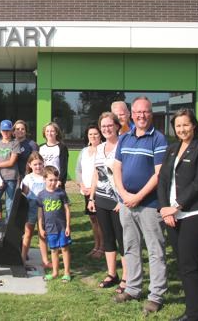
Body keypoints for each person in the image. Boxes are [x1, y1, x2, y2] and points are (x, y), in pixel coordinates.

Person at [157, 109, 198, 321]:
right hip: (172, 216)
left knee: (189, 266)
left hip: (197, 212)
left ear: (194, 126)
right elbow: (162, 180)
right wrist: (164, 209)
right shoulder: (172, 149)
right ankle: (194, 312)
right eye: (178, 125)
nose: (181, 129)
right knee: (184, 265)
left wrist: (177, 206)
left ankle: (195, 316)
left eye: (185, 125)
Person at [113, 96, 168, 315]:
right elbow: (116, 169)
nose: (141, 116)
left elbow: (159, 174)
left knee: (155, 250)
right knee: (130, 247)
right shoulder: (124, 138)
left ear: (150, 114)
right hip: (127, 203)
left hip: (149, 204)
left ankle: (156, 295)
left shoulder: (159, 139)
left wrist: (139, 196)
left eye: (145, 112)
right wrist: (125, 194)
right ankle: (133, 288)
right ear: (132, 115)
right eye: (137, 112)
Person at [87, 112, 127, 293]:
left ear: (117, 126)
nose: (106, 129)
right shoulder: (99, 147)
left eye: (110, 125)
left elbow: (127, 175)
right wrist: (92, 198)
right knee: (108, 238)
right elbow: (96, 173)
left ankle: (127, 277)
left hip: (118, 202)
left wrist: (123, 199)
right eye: (103, 126)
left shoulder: (124, 145)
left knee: (122, 239)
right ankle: (112, 274)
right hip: (101, 199)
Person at [37, 166, 72, 282]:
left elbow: (67, 210)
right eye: (50, 180)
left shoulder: (61, 193)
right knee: (53, 250)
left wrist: (67, 226)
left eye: (55, 180)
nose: (53, 183)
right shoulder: (41, 195)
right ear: (45, 179)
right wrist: (40, 228)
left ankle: (67, 272)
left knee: (64, 249)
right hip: (49, 228)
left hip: (62, 228)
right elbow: (40, 213)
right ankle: (55, 272)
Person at [76, 124, 104, 259]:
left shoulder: (103, 150)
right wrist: (82, 186)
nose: (93, 136)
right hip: (86, 191)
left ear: (100, 135)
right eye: (90, 134)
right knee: (93, 220)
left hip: (99, 191)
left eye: (96, 134)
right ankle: (96, 246)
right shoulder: (84, 151)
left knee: (100, 220)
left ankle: (103, 248)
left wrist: (92, 189)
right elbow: (78, 170)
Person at [20, 151, 49, 267]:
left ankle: (45, 260)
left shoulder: (46, 177)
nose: (38, 166)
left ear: (43, 164)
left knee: (43, 234)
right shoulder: (27, 178)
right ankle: (22, 257)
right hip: (31, 208)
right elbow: (23, 193)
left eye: (40, 164)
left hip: (45, 209)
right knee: (28, 233)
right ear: (30, 165)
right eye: (35, 164)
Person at [0, 120, 20, 219]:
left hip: (11, 178)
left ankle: (8, 230)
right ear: (0, 131)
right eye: (3, 130)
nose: (5, 132)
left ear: (11, 131)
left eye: (8, 130)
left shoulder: (15, 143)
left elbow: (11, 162)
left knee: (9, 206)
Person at [38, 122, 69, 188]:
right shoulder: (40, 147)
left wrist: (60, 181)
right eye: (47, 131)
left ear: (56, 133)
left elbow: (64, 167)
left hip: (56, 182)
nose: (49, 133)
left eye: (52, 131)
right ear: (44, 133)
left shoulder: (62, 147)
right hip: (43, 181)